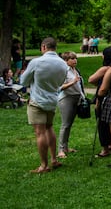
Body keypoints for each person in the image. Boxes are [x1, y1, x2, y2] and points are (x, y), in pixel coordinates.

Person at [20, 37, 67, 173]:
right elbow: (61, 81)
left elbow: (23, 81)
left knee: (40, 133)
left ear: (44, 47)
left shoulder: (37, 62)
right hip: (52, 100)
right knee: (49, 127)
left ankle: (44, 165)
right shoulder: (63, 64)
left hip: (37, 100)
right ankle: (53, 159)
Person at [89, 45, 111, 158]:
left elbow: (91, 79)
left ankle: (105, 148)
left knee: (102, 124)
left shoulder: (106, 69)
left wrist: (100, 83)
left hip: (103, 98)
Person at [57, 52, 83, 159]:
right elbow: (59, 87)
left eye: (76, 58)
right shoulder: (63, 72)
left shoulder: (76, 70)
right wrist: (72, 82)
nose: (75, 60)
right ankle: (60, 150)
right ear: (66, 61)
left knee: (69, 124)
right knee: (65, 124)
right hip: (66, 99)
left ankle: (66, 147)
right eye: (72, 58)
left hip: (76, 98)